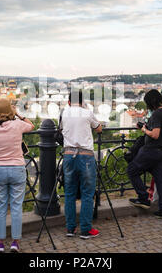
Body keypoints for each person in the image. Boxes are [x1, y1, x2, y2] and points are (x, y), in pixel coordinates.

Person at [0, 98, 35, 253]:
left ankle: (0, 243)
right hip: (17, 168)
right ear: (10, 112)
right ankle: (15, 242)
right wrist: (18, 115)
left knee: (0, 208)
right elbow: (31, 126)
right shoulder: (18, 125)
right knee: (16, 207)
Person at [127, 89, 162, 220]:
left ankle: (143, 198)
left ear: (152, 102)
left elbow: (155, 134)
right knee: (160, 180)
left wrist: (144, 129)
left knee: (132, 170)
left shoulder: (157, 114)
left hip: (151, 150)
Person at [61, 90, 102, 239]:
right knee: (87, 193)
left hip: (68, 155)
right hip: (85, 156)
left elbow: (61, 129)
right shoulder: (87, 113)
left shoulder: (64, 113)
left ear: (69, 101)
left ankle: (70, 228)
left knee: (70, 193)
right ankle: (85, 229)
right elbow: (98, 128)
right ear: (82, 101)